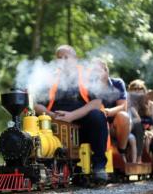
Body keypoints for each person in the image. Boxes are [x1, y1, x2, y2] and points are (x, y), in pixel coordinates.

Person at [34, 45, 108, 181]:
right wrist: (51, 115)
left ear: (75, 59)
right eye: (59, 58)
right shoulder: (50, 78)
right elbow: (37, 105)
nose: (63, 60)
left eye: (66, 57)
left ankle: (99, 167)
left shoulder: (86, 75)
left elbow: (96, 103)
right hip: (54, 124)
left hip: (82, 124)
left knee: (97, 116)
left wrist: (71, 116)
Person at [90, 59, 131, 162]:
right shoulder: (89, 85)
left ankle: (121, 152)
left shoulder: (117, 83)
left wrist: (108, 111)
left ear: (106, 71)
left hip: (113, 124)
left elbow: (123, 107)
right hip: (96, 123)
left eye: (98, 70)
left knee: (124, 117)